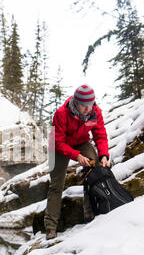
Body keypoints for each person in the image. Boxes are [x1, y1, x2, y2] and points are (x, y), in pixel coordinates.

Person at [45, 84, 110, 240]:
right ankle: (50, 227)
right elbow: (58, 142)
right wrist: (76, 156)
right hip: (58, 146)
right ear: (75, 102)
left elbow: (100, 135)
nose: (87, 109)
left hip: (81, 142)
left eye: (90, 105)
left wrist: (104, 155)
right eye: (83, 106)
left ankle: (89, 213)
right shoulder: (61, 113)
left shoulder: (95, 112)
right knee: (56, 185)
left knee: (93, 171)